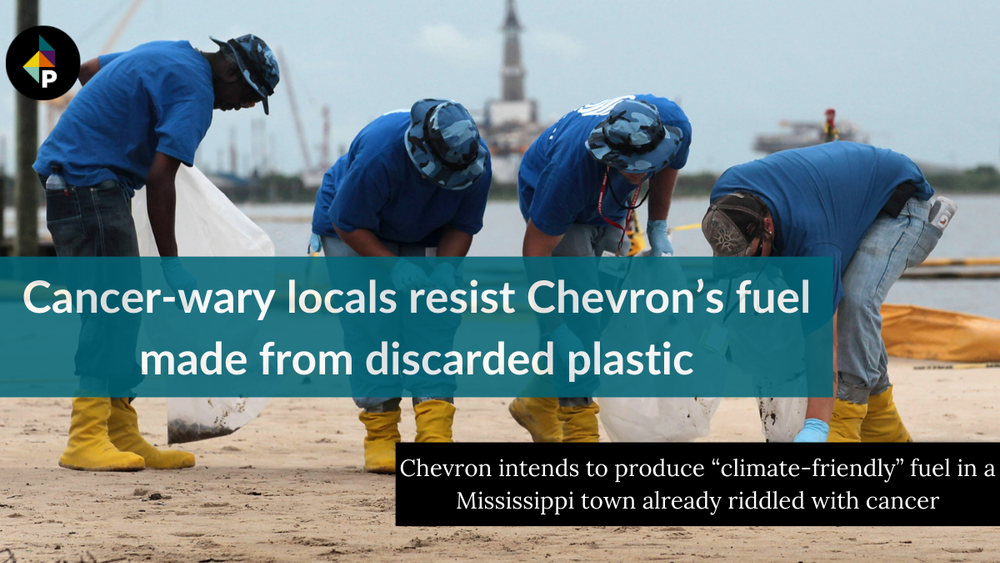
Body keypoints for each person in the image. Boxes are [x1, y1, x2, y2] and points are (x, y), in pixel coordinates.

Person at [33, 34, 280, 471]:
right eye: (246, 96)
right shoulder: (197, 93)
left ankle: (120, 432)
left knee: (122, 310)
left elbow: (89, 69)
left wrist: (110, 124)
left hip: (81, 181)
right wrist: (172, 262)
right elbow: (161, 178)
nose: (240, 107)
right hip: (87, 186)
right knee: (109, 310)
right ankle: (85, 437)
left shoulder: (169, 52)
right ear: (228, 74)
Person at [701, 141, 957, 442]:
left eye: (753, 258)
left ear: (767, 225)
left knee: (855, 301)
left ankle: (845, 419)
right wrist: (711, 345)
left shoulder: (815, 246)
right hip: (837, 201)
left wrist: (817, 426)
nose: (749, 268)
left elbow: (823, 343)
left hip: (896, 202)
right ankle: (885, 430)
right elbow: (733, 285)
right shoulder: (726, 200)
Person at [309, 99, 492, 473]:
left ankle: (434, 432)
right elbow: (348, 222)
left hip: (427, 227)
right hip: (354, 227)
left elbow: (463, 226)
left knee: (434, 319)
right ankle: (381, 435)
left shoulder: (476, 162)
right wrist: (393, 268)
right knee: (371, 323)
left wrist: (444, 271)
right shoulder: (382, 155)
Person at [511, 95, 692, 443]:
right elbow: (535, 251)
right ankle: (579, 430)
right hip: (555, 199)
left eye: (646, 165)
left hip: (612, 202)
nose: (641, 173)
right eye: (632, 166)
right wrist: (558, 328)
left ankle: (536, 400)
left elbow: (669, 166)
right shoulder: (567, 174)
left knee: (606, 310)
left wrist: (657, 224)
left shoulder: (675, 125)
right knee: (580, 318)